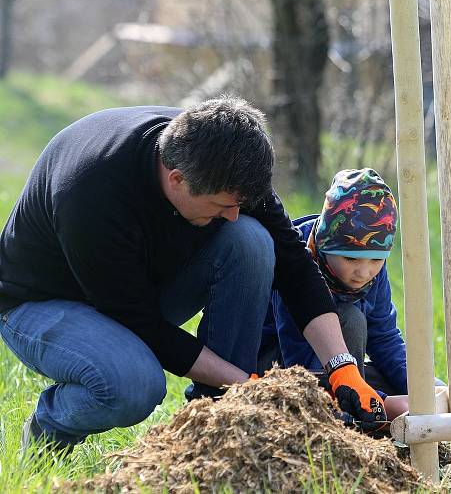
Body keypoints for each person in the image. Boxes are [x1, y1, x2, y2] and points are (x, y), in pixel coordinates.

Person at [0, 97, 385, 453]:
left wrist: (343, 367)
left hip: (136, 290)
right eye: (222, 205)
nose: (232, 213)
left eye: (239, 203)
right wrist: (250, 388)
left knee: (251, 238)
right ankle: (47, 430)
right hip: (41, 303)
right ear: (177, 179)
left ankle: (218, 418)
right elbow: (143, 324)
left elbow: (294, 263)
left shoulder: (226, 157)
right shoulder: (91, 196)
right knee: (134, 385)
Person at [259, 168, 410, 417]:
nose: (363, 272)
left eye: (376, 260)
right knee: (349, 319)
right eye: (350, 258)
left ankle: (360, 406)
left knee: (397, 383)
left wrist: (423, 389)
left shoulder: (373, 273)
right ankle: (352, 415)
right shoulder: (296, 264)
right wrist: (384, 405)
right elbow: (298, 362)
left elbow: (384, 338)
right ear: (326, 243)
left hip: (344, 373)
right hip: (278, 368)